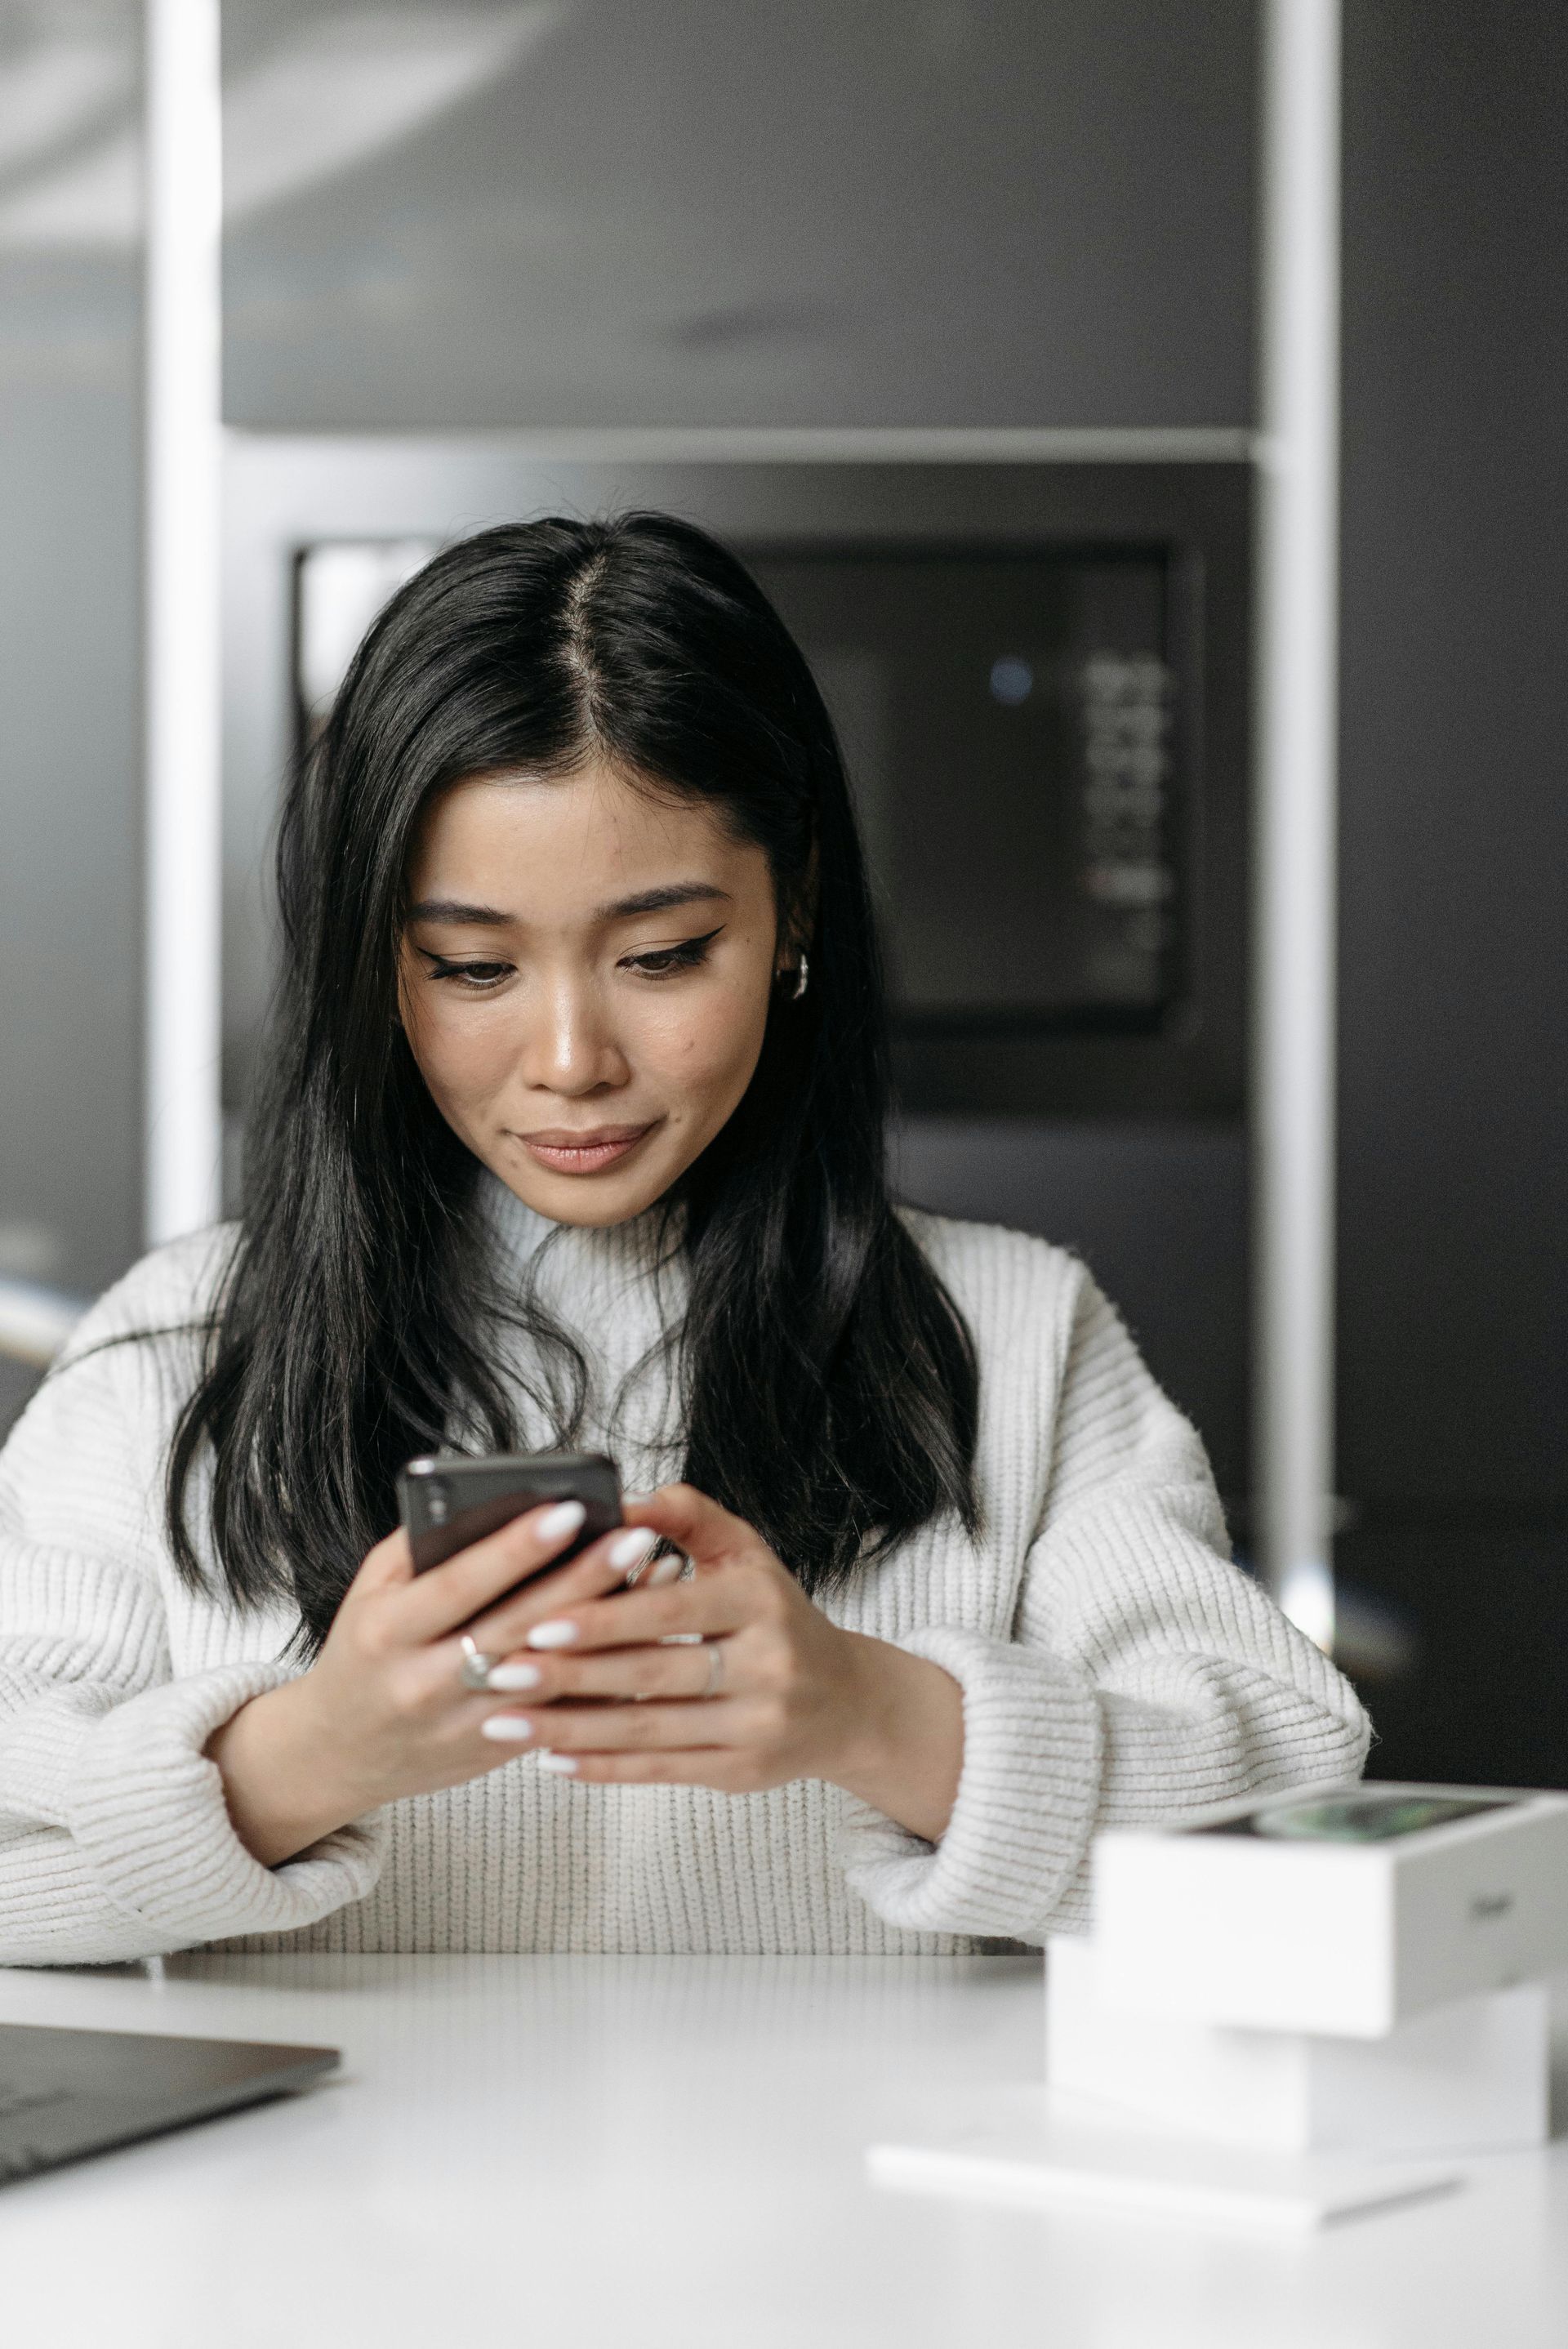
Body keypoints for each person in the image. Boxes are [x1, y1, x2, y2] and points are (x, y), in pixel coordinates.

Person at [0, 514, 1367, 1963]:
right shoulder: (177, 1354)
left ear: (796, 916)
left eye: (661, 957)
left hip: (875, 2194)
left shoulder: (1013, 1331)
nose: (573, 1059)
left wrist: (869, 1713)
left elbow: (1300, 1811)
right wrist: (304, 1762)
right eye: (471, 967)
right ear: (369, 967)